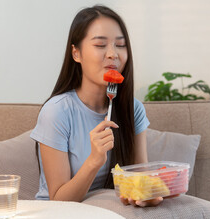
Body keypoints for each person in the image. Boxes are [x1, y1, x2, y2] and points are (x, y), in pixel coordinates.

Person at [30, 5, 162, 207]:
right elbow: (59, 200)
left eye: (120, 45)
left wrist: (146, 194)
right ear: (76, 54)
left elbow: (140, 178)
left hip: (110, 214)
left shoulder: (132, 109)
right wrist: (94, 160)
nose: (112, 54)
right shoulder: (56, 112)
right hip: (57, 216)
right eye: (100, 45)